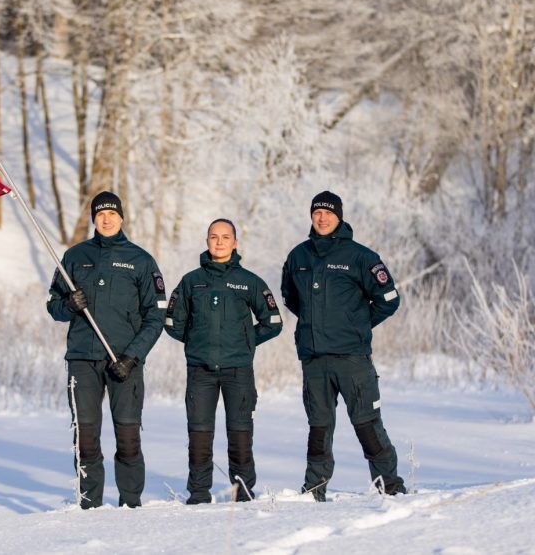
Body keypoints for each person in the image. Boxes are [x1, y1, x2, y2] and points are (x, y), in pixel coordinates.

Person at [280, 191, 406, 500]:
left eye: (328, 213)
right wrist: (318, 325)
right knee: (319, 427)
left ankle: (390, 486)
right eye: (316, 213)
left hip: (352, 358)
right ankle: (314, 489)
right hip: (314, 359)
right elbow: (291, 298)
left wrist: (356, 325)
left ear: (339, 216)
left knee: (366, 423)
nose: (321, 218)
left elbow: (389, 300)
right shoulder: (299, 256)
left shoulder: (360, 257)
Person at [46, 191, 167, 509]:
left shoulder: (141, 260)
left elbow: (156, 317)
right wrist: (69, 305)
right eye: (100, 213)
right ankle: (89, 505)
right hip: (82, 359)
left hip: (124, 360)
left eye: (112, 213)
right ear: (93, 218)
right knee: (85, 438)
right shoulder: (74, 256)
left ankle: (131, 505)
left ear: (122, 217)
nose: (106, 218)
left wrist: (132, 356)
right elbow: (53, 306)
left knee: (127, 439)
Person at [164, 218, 283, 504]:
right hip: (200, 371)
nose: (219, 241)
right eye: (214, 237)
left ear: (235, 242)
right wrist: (197, 342)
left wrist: (244, 341)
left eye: (225, 237)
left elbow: (273, 322)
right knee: (199, 434)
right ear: (207, 241)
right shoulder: (191, 281)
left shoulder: (249, 282)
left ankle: (242, 490)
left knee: (240, 433)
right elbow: (172, 321)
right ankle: (199, 491)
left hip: (238, 371)